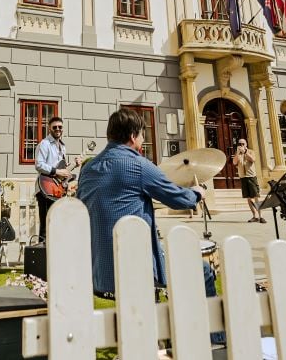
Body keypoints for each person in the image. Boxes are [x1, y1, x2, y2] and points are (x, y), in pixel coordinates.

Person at [76, 108, 208, 297]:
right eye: (142, 136)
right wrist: (197, 193)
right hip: (134, 270)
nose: (143, 141)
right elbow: (179, 199)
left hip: (99, 272)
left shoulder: (88, 168)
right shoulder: (138, 165)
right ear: (133, 136)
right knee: (204, 271)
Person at [34, 116, 79, 242]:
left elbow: (61, 168)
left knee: (56, 223)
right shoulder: (44, 144)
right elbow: (39, 165)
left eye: (60, 127)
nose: (58, 129)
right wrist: (57, 171)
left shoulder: (62, 146)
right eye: (55, 127)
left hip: (57, 189)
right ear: (49, 129)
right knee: (45, 226)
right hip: (45, 188)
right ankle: (43, 252)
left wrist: (73, 164)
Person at [233, 139, 264, 223]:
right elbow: (234, 162)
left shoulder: (251, 151)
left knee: (256, 197)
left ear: (246, 144)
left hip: (251, 177)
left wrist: (245, 152)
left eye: (243, 143)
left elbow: (253, 159)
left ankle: (261, 216)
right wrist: (238, 153)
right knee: (249, 198)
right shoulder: (237, 153)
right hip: (243, 177)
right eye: (239, 144)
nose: (241, 145)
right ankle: (255, 216)